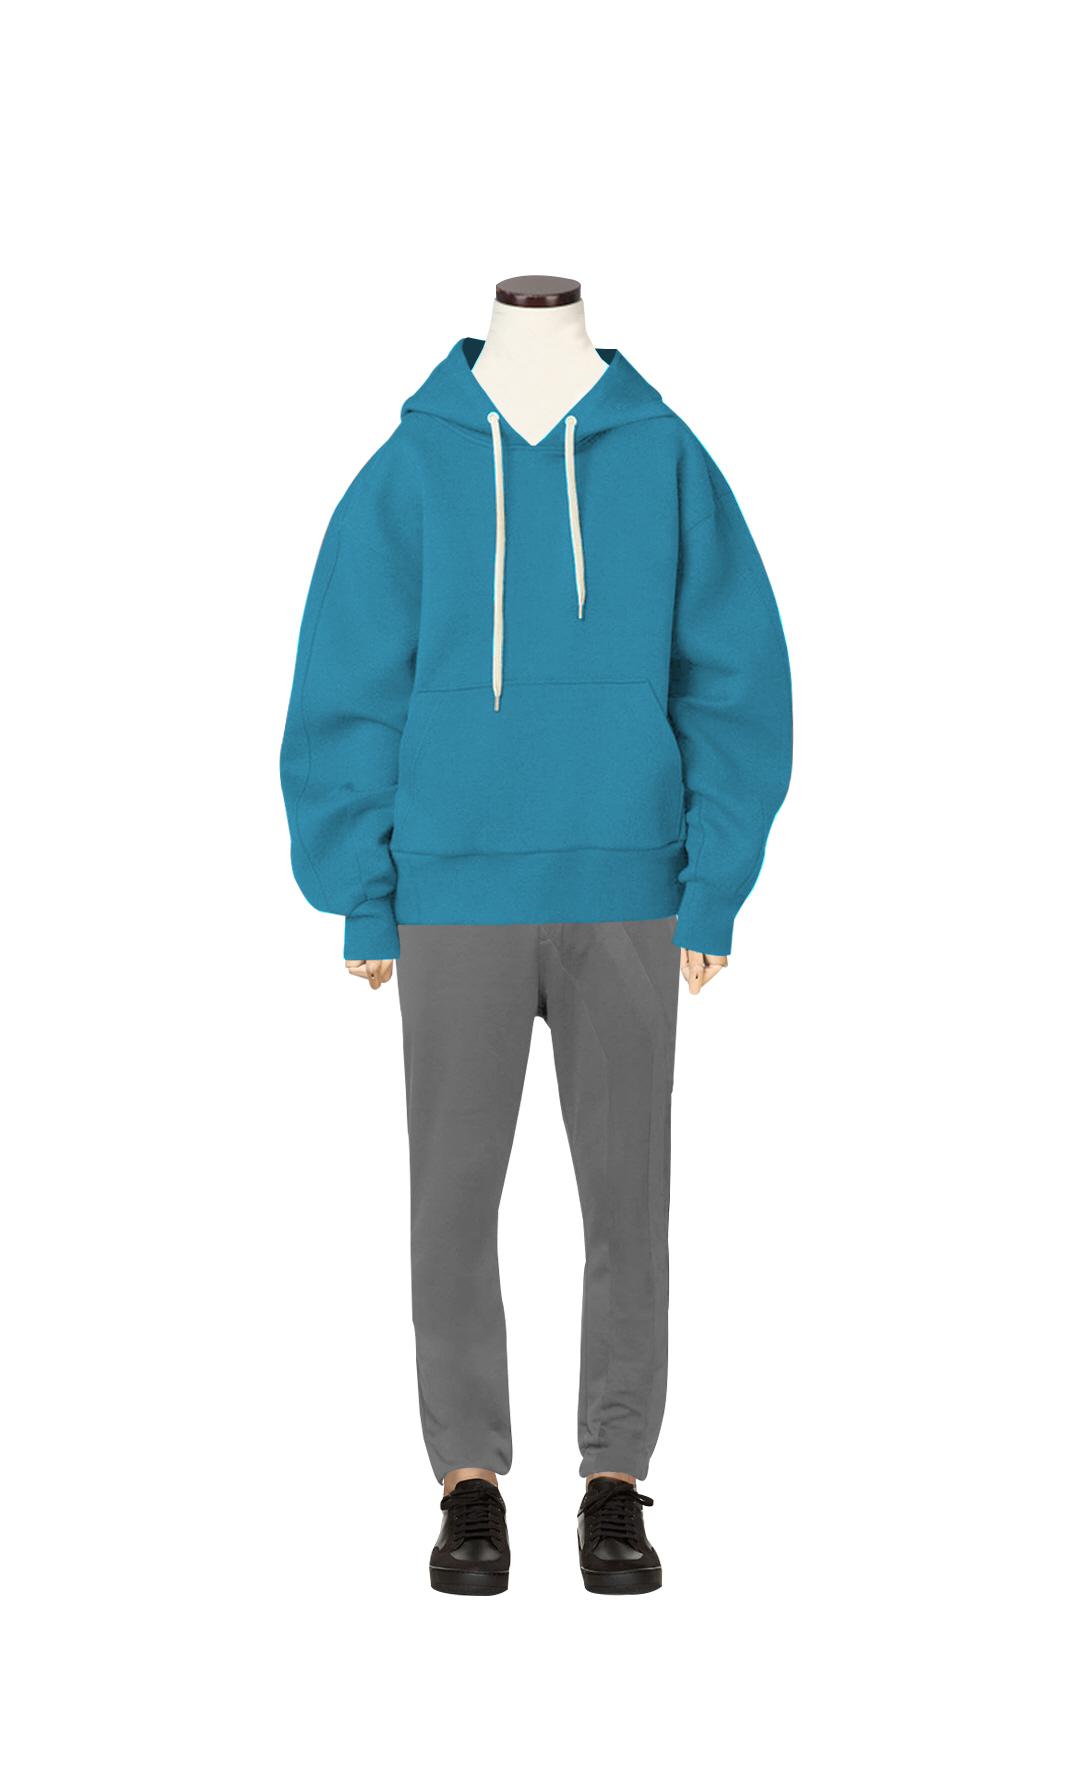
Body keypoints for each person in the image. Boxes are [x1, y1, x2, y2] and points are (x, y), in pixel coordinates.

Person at [280, 298, 792, 1596]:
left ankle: (615, 1479)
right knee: (452, 1202)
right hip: (454, 890)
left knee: (629, 1202)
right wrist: (362, 893)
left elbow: (736, 678)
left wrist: (713, 889)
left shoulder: (663, 456)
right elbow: (346, 683)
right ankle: (469, 1484)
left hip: (629, 887)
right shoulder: (416, 466)